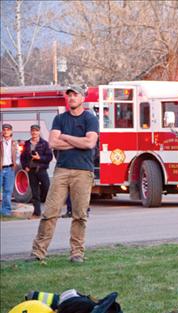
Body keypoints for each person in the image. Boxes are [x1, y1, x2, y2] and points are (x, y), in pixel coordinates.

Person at [30, 86, 99, 263]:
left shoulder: (90, 119)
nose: (72, 97)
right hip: (61, 170)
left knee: (79, 215)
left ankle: (77, 253)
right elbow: (53, 142)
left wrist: (66, 137)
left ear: (82, 98)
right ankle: (38, 253)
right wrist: (78, 141)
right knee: (50, 212)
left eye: (75, 95)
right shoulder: (60, 118)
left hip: (83, 172)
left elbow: (90, 143)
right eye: (69, 95)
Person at [20, 124, 53, 218]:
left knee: (47, 189)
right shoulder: (27, 143)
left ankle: (49, 211)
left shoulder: (44, 143)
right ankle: (37, 213)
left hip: (41, 170)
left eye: (36, 130)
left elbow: (49, 157)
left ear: (39, 132)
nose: (34, 132)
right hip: (31, 171)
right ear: (30, 132)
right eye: (33, 130)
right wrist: (25, 166)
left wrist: (40, 158)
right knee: (35, 193)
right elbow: (23, 157)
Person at [1, 123, 17, 216]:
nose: (6, 131)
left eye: (8, 129)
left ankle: (6, 211)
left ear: (11, 131)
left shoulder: (14, 143)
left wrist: (15, 165)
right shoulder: (0, 142)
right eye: (4, 129)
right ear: (2, 131)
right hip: (0, 169)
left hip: (10, 169)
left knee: (7, 191)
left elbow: (18, 155)